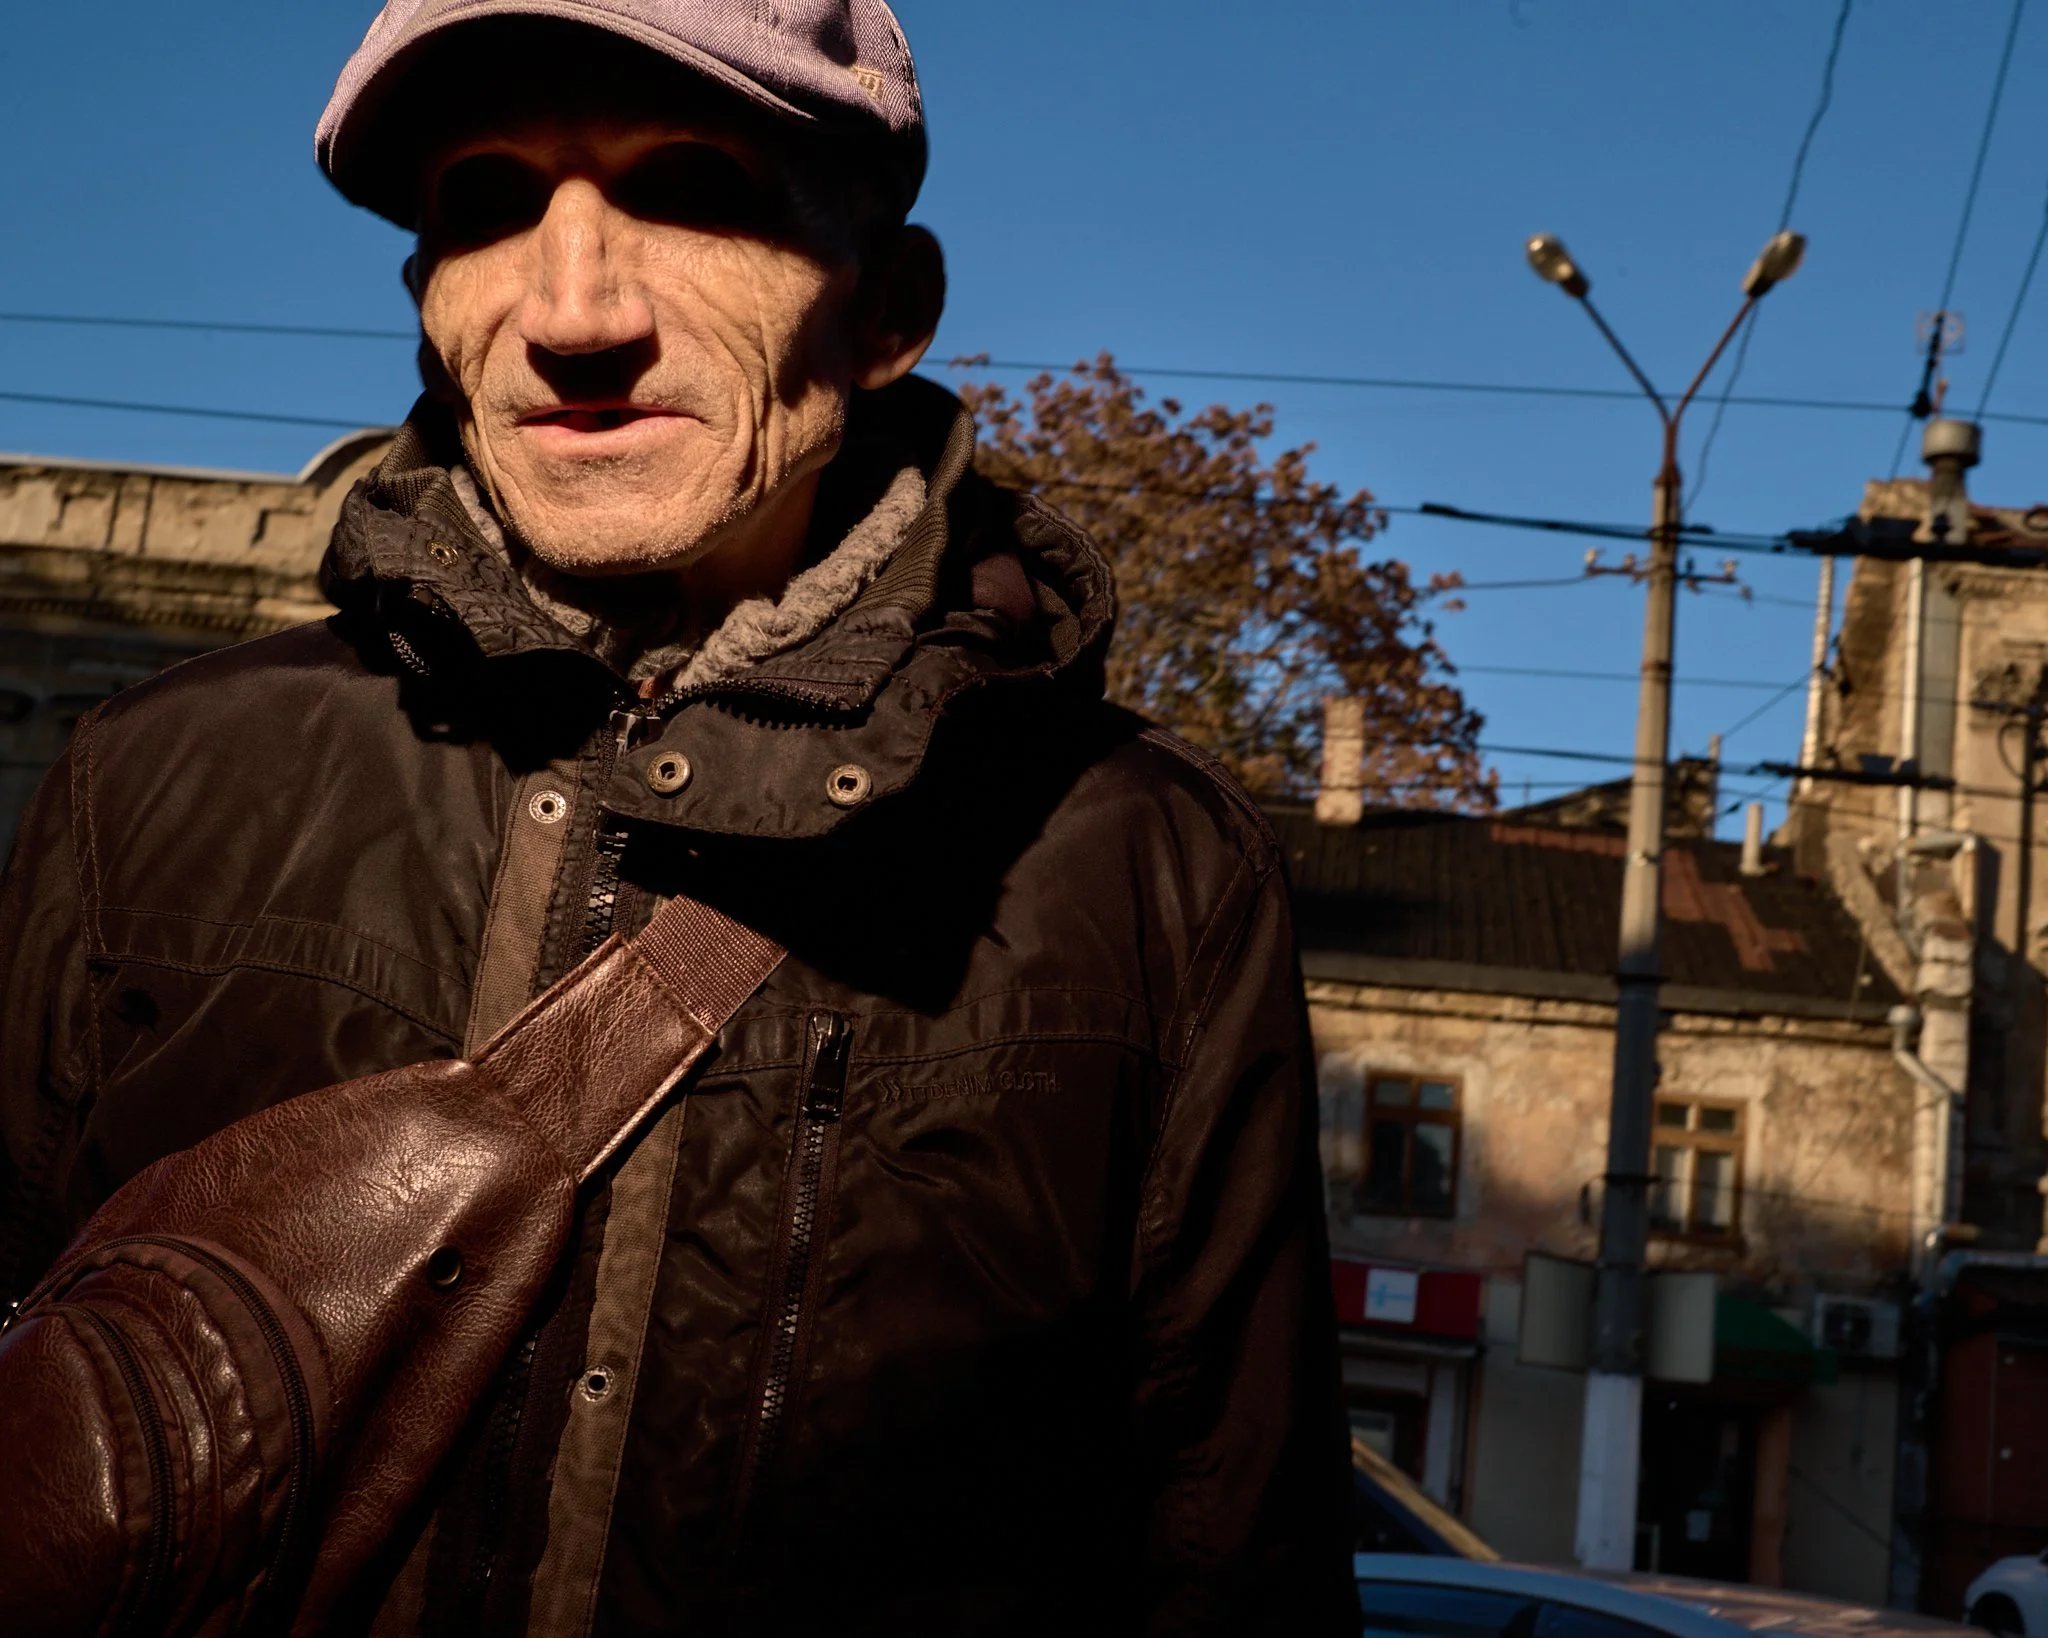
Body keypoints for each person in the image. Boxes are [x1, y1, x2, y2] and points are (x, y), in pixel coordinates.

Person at [0, 3, 1355, 1632]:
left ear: (886, 311)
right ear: (428, 301)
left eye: (696, 190)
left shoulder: (1144, 869)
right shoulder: (152, 782)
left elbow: (1236, 1563)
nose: (571, 313)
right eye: (488, 204)